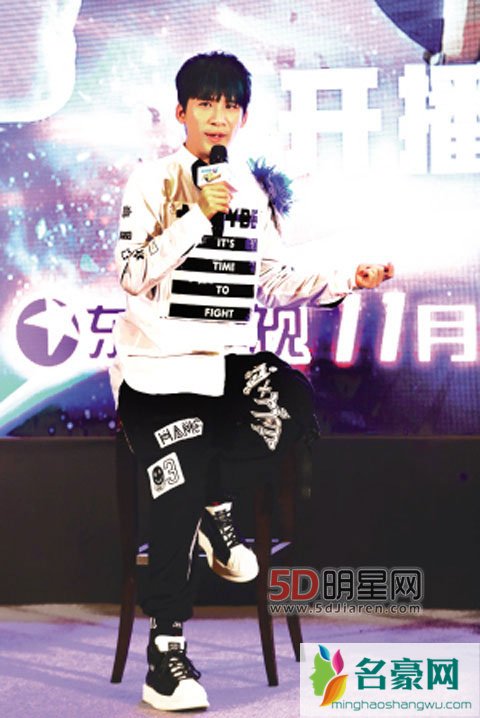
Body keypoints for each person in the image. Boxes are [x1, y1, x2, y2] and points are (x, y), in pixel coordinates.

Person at [110, 50, 394, 712]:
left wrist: (348, 278)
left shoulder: (250, 191)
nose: (219, 117)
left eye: (230, 105)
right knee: (179, 477)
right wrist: (194, 217)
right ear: (181, 112)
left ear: (242, 116)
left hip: (224, 367)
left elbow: (272, 276)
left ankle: (220, 510)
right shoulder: (150, 182)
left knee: (289, 402)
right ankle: (166, 654)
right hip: (156, 373)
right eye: (205, 104)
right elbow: (130, 274)